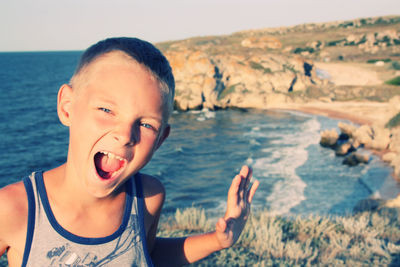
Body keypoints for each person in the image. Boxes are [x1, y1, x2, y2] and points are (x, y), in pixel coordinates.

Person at [0, 37, 259, 267]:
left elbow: (147, 255)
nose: (125, 135)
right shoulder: (14, 208)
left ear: (160, 140)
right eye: (106, 110)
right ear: (67, 107)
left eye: (146, 124)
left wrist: (218, 240)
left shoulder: (147, 198)